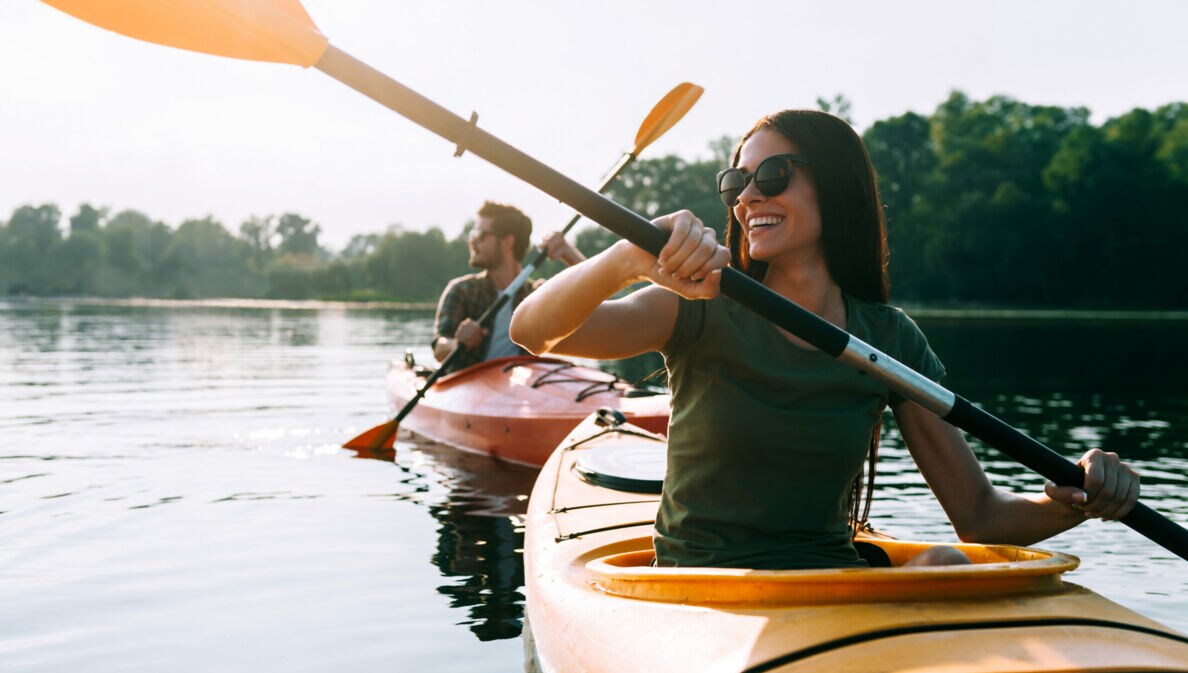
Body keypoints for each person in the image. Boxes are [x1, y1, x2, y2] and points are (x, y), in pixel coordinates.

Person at [509, 109, 1140, 570]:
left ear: (834, 185)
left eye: (774, 174)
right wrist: (625, 257)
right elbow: (531, 331)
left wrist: (1078, 499)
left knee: (945, 561)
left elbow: (979, 515)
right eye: (737, 184)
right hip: (698, 590)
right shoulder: (698, 305)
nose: (749, 195)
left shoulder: (889, 341)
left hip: (830, 586)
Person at [432, 201, 584, 375]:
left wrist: (567, 252)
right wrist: (458, 343)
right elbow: (439, 348)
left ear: (507, 242)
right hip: (467, 387)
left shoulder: (537, 295)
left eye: (480, 235)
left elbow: (597, 296)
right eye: (472, 233)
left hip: (519, 389)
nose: (472, 241)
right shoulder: (462, 290)